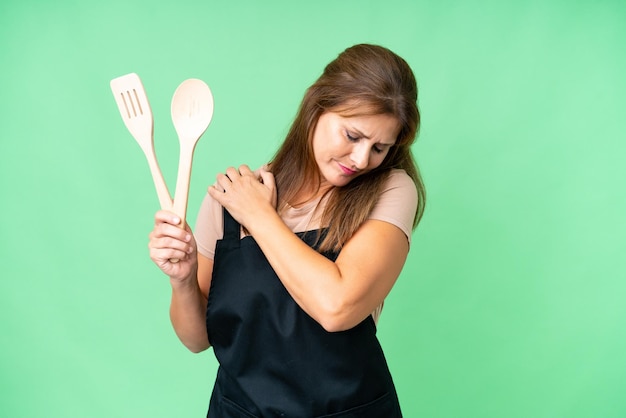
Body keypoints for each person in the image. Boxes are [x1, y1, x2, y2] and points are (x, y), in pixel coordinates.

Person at [148, 43, 425, 417]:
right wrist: (181, 279)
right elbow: (197, 339)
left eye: (379, 147)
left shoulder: (390, 190)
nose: (362, 160)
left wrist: (260, 217)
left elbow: (336, 306)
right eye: (352, 136)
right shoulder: (230, 200)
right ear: (316, 109)